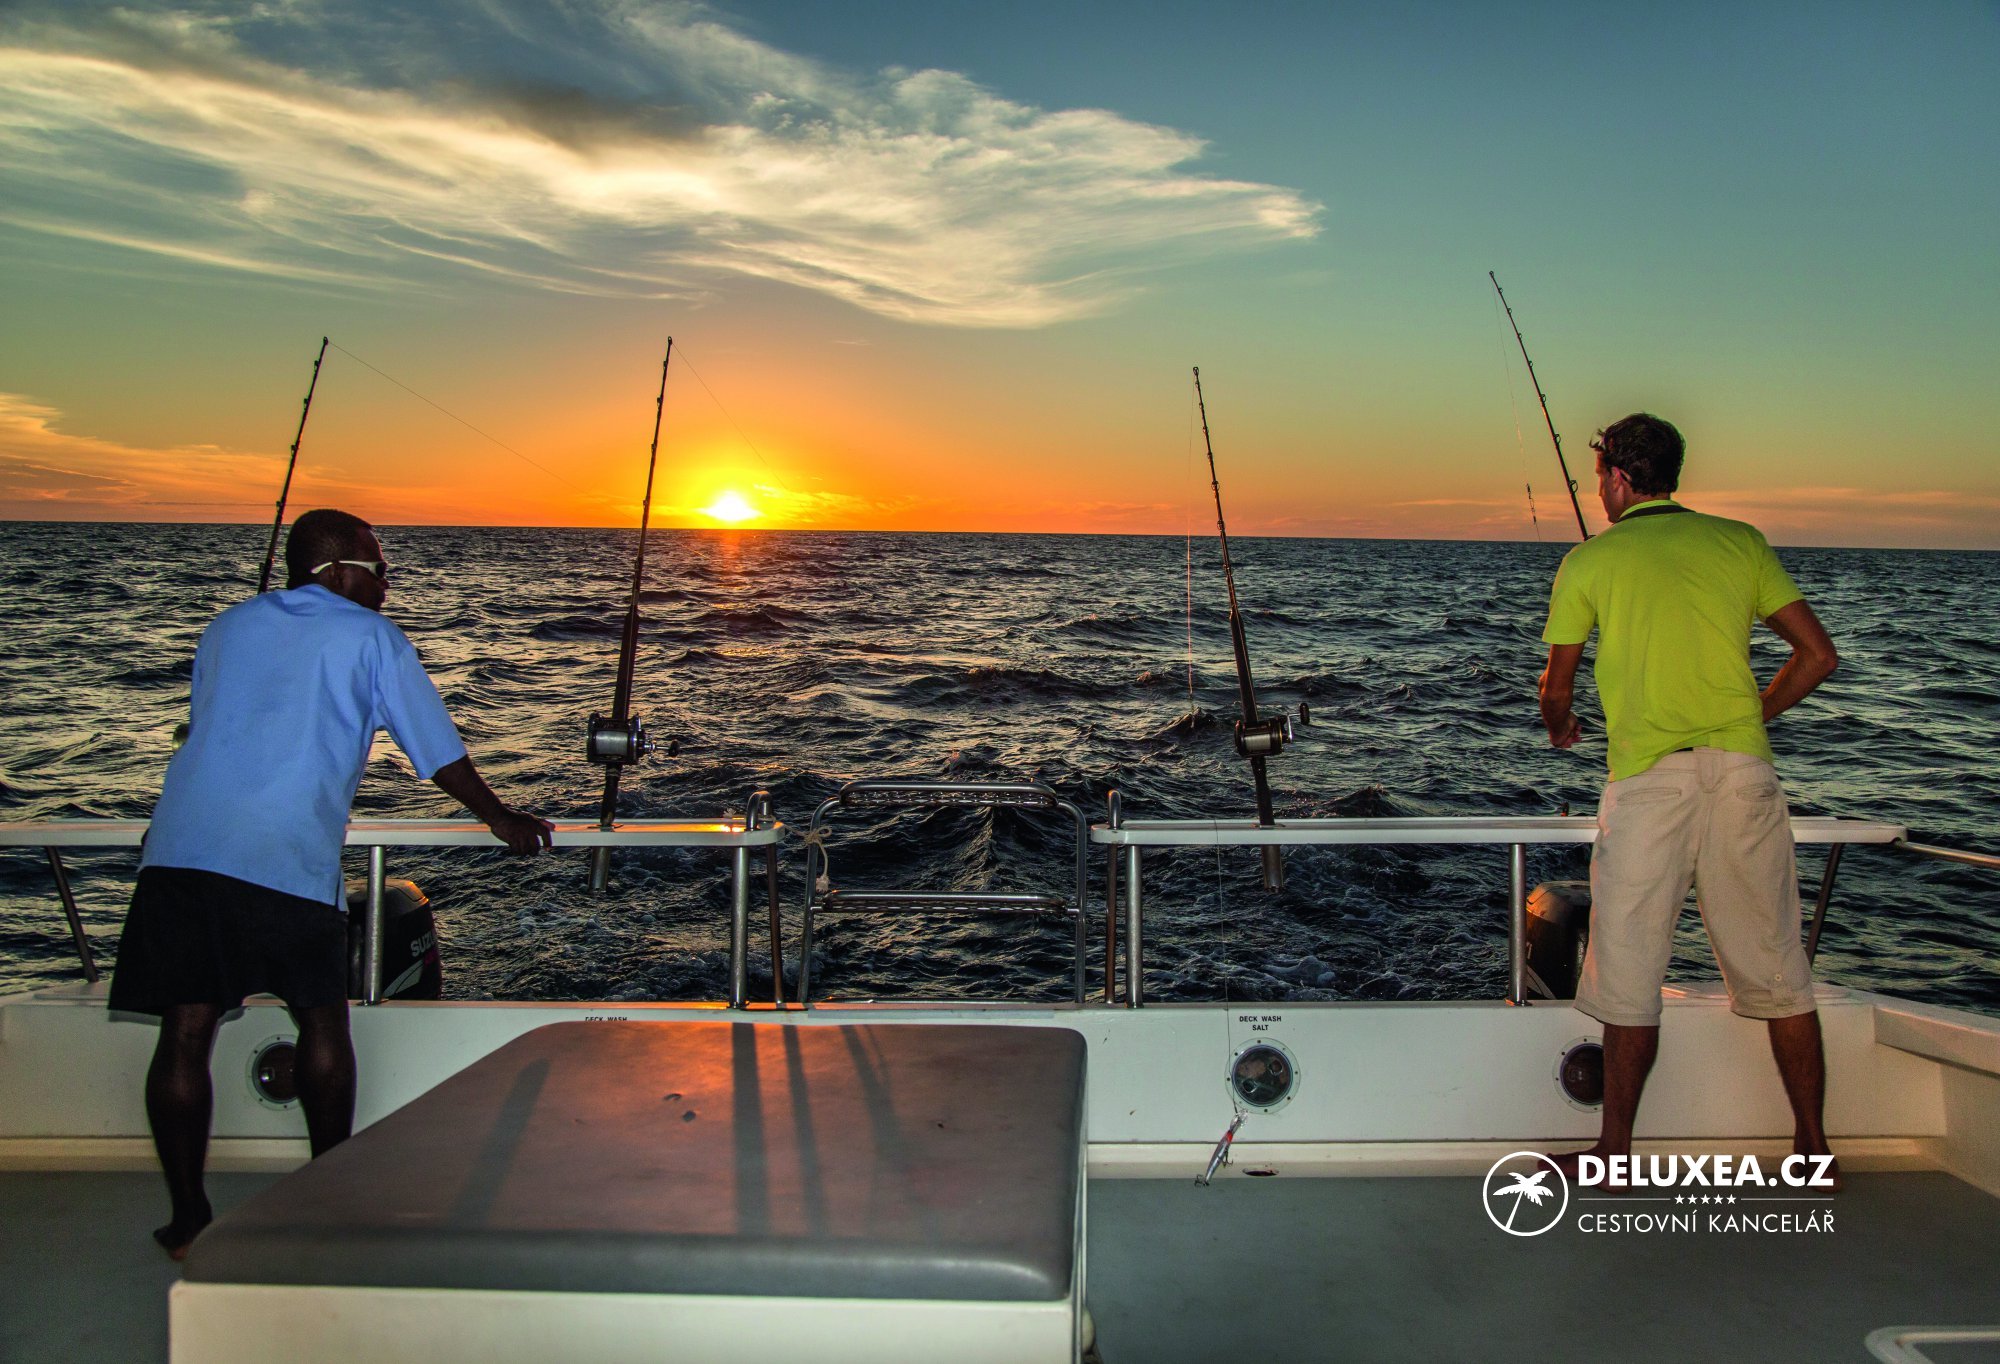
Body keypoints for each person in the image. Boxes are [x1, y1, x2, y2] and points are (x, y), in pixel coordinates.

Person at [108, 509, 553, 1258]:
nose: (387, 584)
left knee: (184, 1033)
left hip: (180, 851)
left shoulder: (226, 628)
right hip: (283, 857)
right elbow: (435, 749)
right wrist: (500, 817)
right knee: (322, 1022)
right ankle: (327, 1201)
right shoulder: (371, 636)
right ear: (337, 571)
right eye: (379, 569)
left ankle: (188, 1222)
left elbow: (208, 731)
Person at [1537, 414, 1840, 1187]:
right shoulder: (1741, 542)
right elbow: (1817, 656)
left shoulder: (1589, 560)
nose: (1597, 491)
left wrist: (1561, 727)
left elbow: (1557, 687)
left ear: (1618, 479)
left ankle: (1614, 1156)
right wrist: (1752, 716)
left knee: (1629, 976)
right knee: (1781, 971)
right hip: (1744, 775)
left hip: (1649, 783)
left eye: (1598, 477)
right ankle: (1814, 1152)